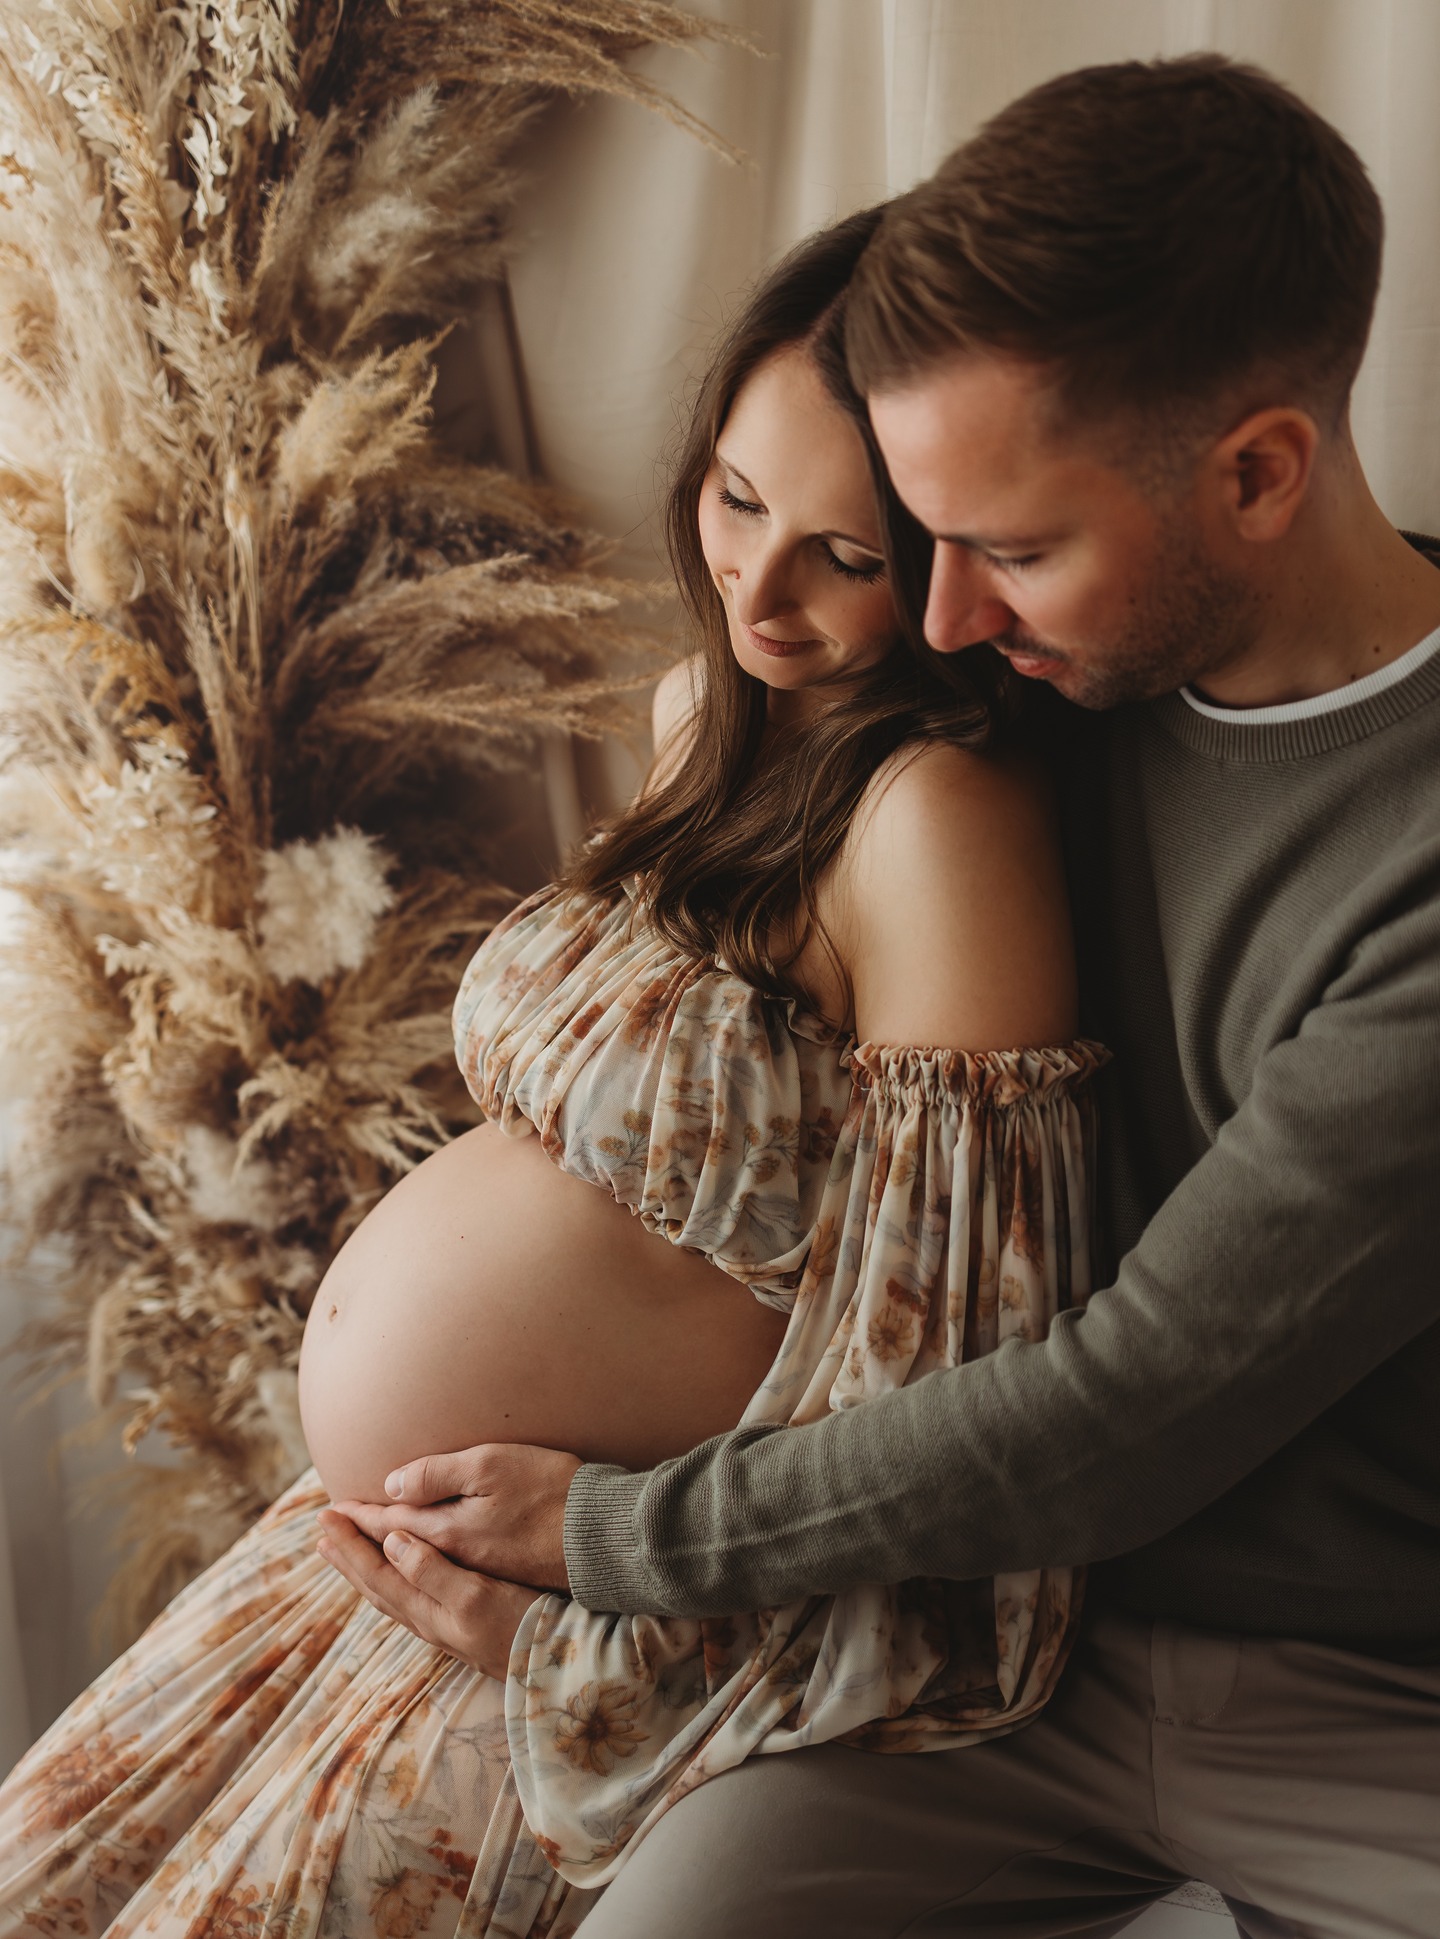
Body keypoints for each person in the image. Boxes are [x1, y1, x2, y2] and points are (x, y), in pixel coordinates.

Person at [346, 55, 1440, 1938]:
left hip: (1376, 1695)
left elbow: (1139, 1401)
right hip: (990, 1653)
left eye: (1008, 553)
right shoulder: (1029, 680)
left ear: (1261, 472)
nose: (938, 625)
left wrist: (612, 1546)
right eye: (918, 547)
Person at [0, 213, 1100, 1936]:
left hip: (591, 1628)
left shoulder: (938, 822)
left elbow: (955, 1389)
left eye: (850, 557)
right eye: (737, 501)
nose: (760, 593)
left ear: (955, 570)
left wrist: (605, 1622)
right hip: (375, 1561)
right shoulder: (699, 723)